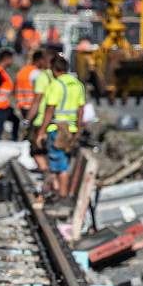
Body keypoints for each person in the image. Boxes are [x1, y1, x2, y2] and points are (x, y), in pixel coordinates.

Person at [36, 55, 85, 200]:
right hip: (71, 130)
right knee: (65, 162)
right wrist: (78, 128)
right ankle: (61, 193)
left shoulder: (56, 85)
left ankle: (62, 196)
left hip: (57, 130)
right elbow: (80, 109)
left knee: (58, 165)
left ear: (54, 70)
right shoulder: (77, 85)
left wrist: (41, 131)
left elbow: (50, 109)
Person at [25, 50, 53, 172]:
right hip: (61, 121)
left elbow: (37, 102)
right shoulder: (65, 79)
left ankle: (46, 173)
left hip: (41, 120)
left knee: (36, 149)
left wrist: (27, 120)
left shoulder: (43, 77)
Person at [15, 50, 43, 119]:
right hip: (32, 108)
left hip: (21, 106)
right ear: (40, 60)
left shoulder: (22, 70)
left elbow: (15, 88)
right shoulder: (36, 73)